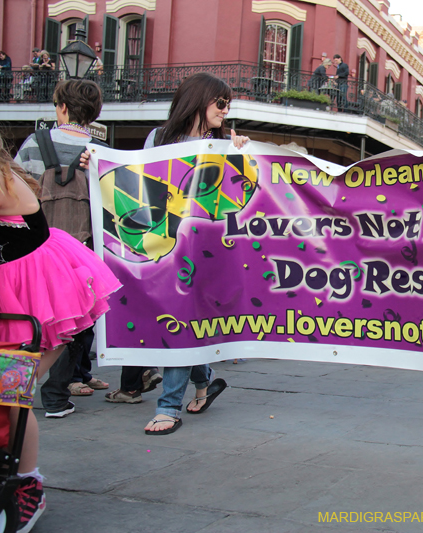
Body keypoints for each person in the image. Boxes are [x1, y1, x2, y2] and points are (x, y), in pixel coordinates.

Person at [0, 119, 121, 533]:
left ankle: (27, 484)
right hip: (11, 298)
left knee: (10, 390)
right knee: (7, 391)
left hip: (37, 302)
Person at [141, 72, 249, 435]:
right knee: (183, 320)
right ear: (199, 99)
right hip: (166, 246)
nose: (226, 110)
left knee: (182, 317)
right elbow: (139, 181)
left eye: (228, 103)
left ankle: (168, 406)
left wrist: (242, 155)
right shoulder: (158, 138)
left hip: (208, 251)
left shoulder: (225, 144)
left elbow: (242, 192)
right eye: (221, 102)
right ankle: (204, 381)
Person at [14, 79, 111, 418]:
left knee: (29, 319)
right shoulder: (102, 153)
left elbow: (17, 188)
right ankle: (56, 396)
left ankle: (11, 388)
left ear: (63, 107)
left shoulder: (34, 144)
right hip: (82, 251)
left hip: (36, 249)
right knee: (77, 320)